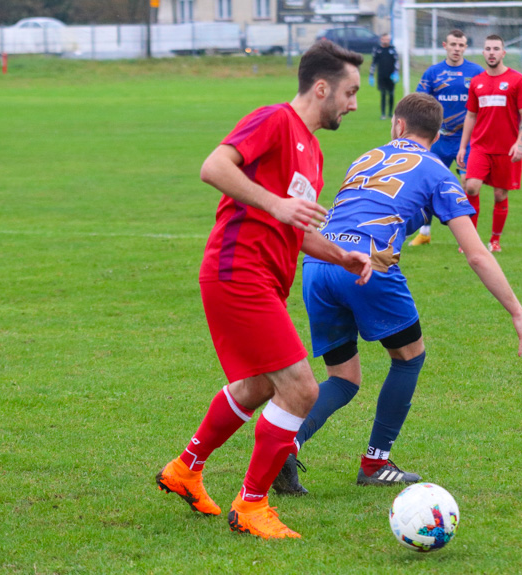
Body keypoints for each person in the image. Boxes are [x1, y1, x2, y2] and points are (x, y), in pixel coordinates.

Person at [155, 39, 372, 540]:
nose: (354, 104)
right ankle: (252, 506)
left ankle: (185, 469)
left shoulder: (312, 150)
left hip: (265, 281)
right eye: (350, 92)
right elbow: (214, 167)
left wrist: (342, 254)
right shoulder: (274, 119)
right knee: (300, 389)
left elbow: (295, 224)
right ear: (322, 88)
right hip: (239, 273)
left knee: (257, 388)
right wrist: (275, 204)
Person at [272, 93, 522, 495]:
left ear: (397, 125)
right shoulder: (437, 171)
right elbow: (477, 254)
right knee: (410, 357)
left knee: (343, 377)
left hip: (320, 262)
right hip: (369, 265)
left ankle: (284, 446)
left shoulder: (365, 157)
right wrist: (516, 311)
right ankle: (375, 463)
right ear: (437, 132)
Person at [455, 35, 522, 253]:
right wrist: (463, 147)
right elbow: (470, 116)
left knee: (500, 195)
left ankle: (495, 240)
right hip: (480, 146)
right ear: (483, 53)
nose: (491, 52)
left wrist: (519, 143)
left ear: (503, 53)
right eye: (487, 48)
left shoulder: (517, 80)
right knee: (471, 187)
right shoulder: (477, 82)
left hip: (507, 148)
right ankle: (470, 241)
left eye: (496, 48)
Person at [409, 29, 484, 247]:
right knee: (427, 186)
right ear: (445, 45)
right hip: (438, 140)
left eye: (461, 45)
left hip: (467, 140)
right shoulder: (433, 73)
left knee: (469, 186)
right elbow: (419, 102)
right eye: (453, 44)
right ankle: (424, 233)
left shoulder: (476, 72)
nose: (456, 49)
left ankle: (468, 238)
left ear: (465, 47)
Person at [370, 33, 399, 120]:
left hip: (391, 76)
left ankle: (390, 113)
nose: (385, 41)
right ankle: (383, 113)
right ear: (381, 39)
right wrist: (371, 75)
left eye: (387, 39)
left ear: (389, 40)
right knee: (383, 94)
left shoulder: (393, 49)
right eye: (383, 39)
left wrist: (396, 73)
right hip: (381, 76)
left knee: (391, 94)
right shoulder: (377, 50)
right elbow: (373, 63)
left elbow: (397, 62)